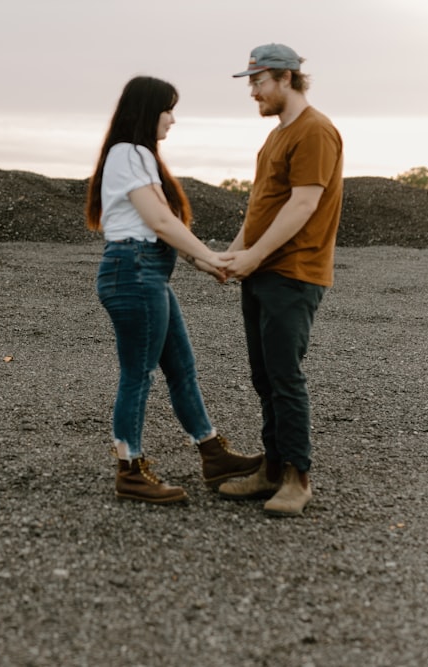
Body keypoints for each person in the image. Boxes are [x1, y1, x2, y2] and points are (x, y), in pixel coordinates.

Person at [85, 76, 262, 504]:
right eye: (168, 109)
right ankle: (130, 469)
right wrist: (218, 259)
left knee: (181, 369)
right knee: (138, 375)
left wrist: (208, 265)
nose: (173, 119)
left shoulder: (139, 157)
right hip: (133, 272)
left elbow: (167, 229)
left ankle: (213, 454)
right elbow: (161, 224)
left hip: (147, 273)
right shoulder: (129, 153)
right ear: (148, 111)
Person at [218, 44, 344, 516]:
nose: (253, 92)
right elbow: (262, 208)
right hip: (263, 269)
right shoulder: (277, 136)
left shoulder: (315, 131)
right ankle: (270, 469)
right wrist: (232, 255)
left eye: (258, 82)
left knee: (285, 376)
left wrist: (253, 257)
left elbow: (303, 204)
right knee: (263, 375)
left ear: (286, 78)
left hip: (294, 273)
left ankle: (297, 477)